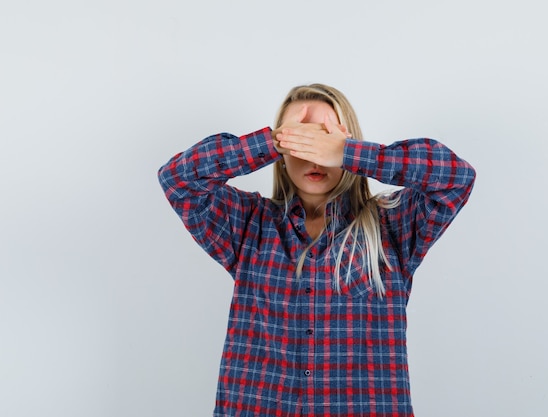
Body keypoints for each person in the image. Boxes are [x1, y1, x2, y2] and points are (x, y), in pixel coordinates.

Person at [158, 83, 476, 417]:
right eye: (300, 136)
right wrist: (270, 141)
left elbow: (456, 177)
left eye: (325, 136)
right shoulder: (247, 223)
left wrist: (348, 153)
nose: (314, 153)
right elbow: (177, 180)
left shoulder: (393, 224)